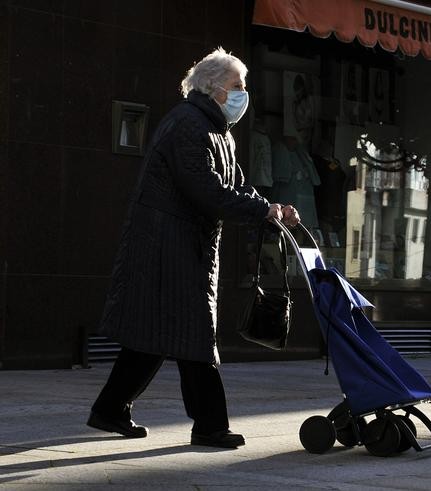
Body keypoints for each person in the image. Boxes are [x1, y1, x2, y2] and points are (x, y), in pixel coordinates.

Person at [87, 48, 300, 449]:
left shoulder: (217, 130)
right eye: (237, 86)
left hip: (181, 246)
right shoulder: (188, 125)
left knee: (153, 336)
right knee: (194, 334)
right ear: (215, 88)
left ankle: (110, 409)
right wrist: (261, 210)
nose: (242, 94)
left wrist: (270, 208)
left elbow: (236, 186)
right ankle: (210, 426)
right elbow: (208, 191)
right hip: (168, 247)